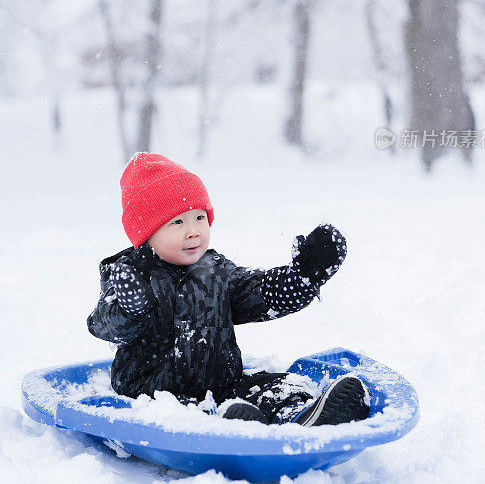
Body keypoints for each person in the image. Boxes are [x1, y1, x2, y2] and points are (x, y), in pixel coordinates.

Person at [87, 153, 369, 427]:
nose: (194, 230)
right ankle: (229, 424)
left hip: (223, 386)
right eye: (178, 222)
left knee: (276, 387)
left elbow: (258, 293)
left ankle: (302, 415)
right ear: (146, 234)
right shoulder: (130, 276)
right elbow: (104, 324)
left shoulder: (215, 268)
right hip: (154, 397)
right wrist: (132, 308)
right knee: (188, 413)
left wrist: (303, 276)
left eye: (199, 217)